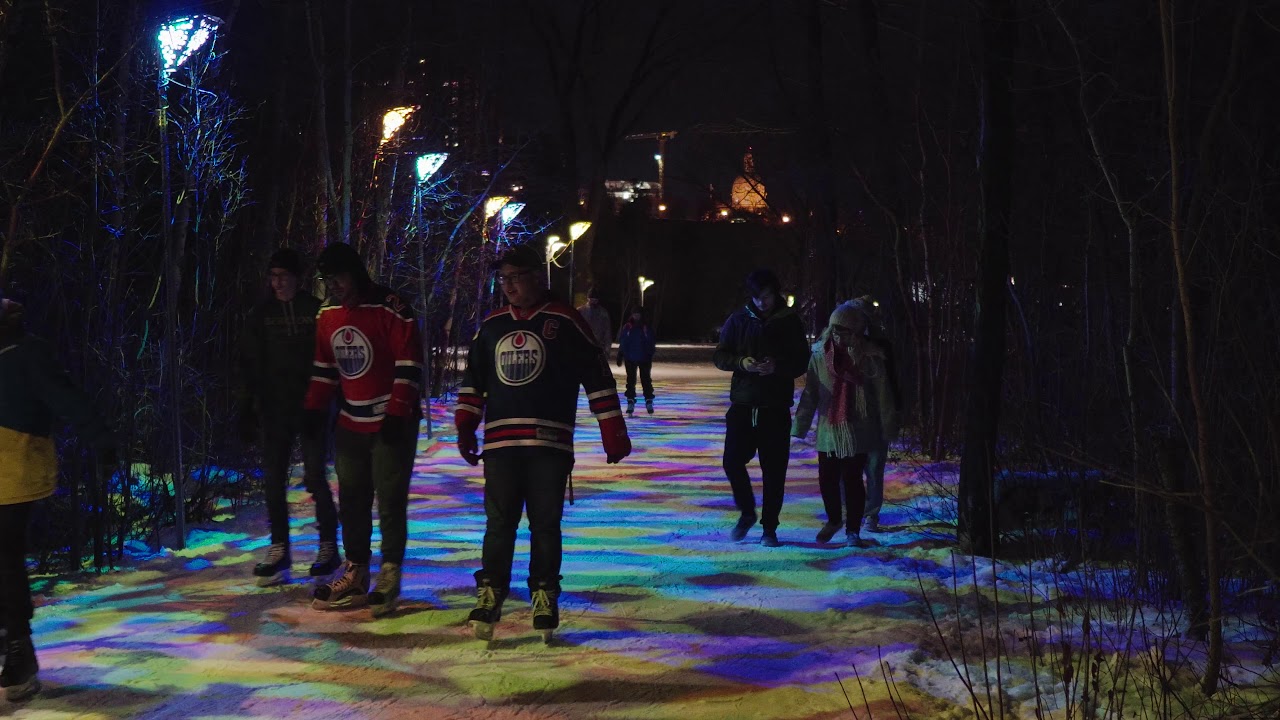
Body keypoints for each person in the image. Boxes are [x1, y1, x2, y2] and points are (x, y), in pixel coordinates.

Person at [456, 243, 631, 642]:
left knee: (545, 524)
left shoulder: (566, 321)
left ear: (538, 276)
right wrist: (466, 425)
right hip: (501, 442)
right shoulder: (493, 325)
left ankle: (544, 592)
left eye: (516, 277)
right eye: (504, 279)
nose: (509, 286)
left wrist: (612, 429)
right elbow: (474, 382)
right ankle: (491, 590)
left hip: (549, 442)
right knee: (498, 523)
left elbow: (597, 375)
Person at [0, 294, 115, 702]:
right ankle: (11, 637)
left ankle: (19, 649)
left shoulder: (29, 355)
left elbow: (66, 397)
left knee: (6, 555)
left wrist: (100, 439)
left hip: (17, 468)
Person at [304, 243, 423, 617]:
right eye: (327, 279)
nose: (334, 285)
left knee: (389, 497)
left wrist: (398, 412)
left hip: (390, 421)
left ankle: (390, 570)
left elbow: (409, 364)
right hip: (351, 422)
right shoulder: (327, 314)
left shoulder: (391, 308)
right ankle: (355, 569)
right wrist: (312, 410)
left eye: (338, 277)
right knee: (352, 498)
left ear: (355, 273)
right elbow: (325, 368)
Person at [239, 248, 340, 587]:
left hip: (311, 406)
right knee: (273, 479)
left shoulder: (315, 311)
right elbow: (251, 362)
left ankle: (328, 546)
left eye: (284, 276)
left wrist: (325, 401)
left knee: (314, 477)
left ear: (298, 278)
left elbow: (328, 359)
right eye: (273, 276)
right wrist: (247, 406)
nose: (278, 282)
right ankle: (279, 548)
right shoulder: (261, 314)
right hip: (275, 408)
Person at [712, 269, 809, 547]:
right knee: (732, 461)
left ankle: (770, 528)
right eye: (756, 297)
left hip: (775, 406)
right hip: (742, 404)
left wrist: (777, 367)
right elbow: (720, 355)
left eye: (765, 297)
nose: (761, 303)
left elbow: (801, 360)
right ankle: (747, 513)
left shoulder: (789, 321)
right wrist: (742, 363)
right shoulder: (739, 318)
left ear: (775, 293)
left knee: (774, 470)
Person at [792, 299, 899, 547]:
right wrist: (801, 424)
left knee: (852, 480)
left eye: (844, 330)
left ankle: (853, 531)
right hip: (829, 428)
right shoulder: (819, 355)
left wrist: (888, 424)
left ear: (857, 332)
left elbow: (883, 393)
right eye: (835, 329)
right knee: (826, 479)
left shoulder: (871, 357)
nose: (838, 334)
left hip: (860, 429)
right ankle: (834, 519)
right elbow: (811, 392)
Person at [854, 295, 900, 533]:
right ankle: (853, 511)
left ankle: (870, 513)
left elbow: (891, 383)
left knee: (873, 467)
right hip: (849, 418)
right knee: (850, 468)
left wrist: (893, 414)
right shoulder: (837, 346)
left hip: (875, 416)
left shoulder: (880, 348)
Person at [616, 306, 657, 415]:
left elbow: (651, 341)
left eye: (638, 314)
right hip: (630, 358)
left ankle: (648, 399)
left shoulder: (646, 327)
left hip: (644, 358)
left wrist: (649, 353)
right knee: (631, 380)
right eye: (634, 314)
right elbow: (623, 341)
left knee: (646, 379)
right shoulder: (628, 327)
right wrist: (620, 353)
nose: (636, 316)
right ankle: (630, 399)